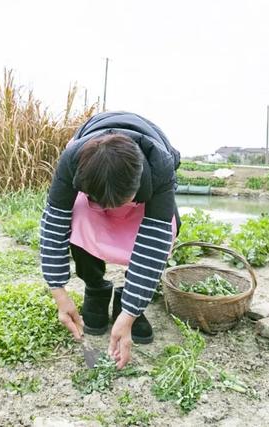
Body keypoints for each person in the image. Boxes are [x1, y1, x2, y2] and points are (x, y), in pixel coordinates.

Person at [40, 111, 180, 369]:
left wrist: (130, 314)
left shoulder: (161, 163)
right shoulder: (72, 158)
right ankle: (95, 286)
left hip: (144, 198)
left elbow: (154, 242)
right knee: (76, 217)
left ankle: (127, 295)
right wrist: (59, 293)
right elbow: (54, 223)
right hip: (96, 190)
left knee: (170, 227)